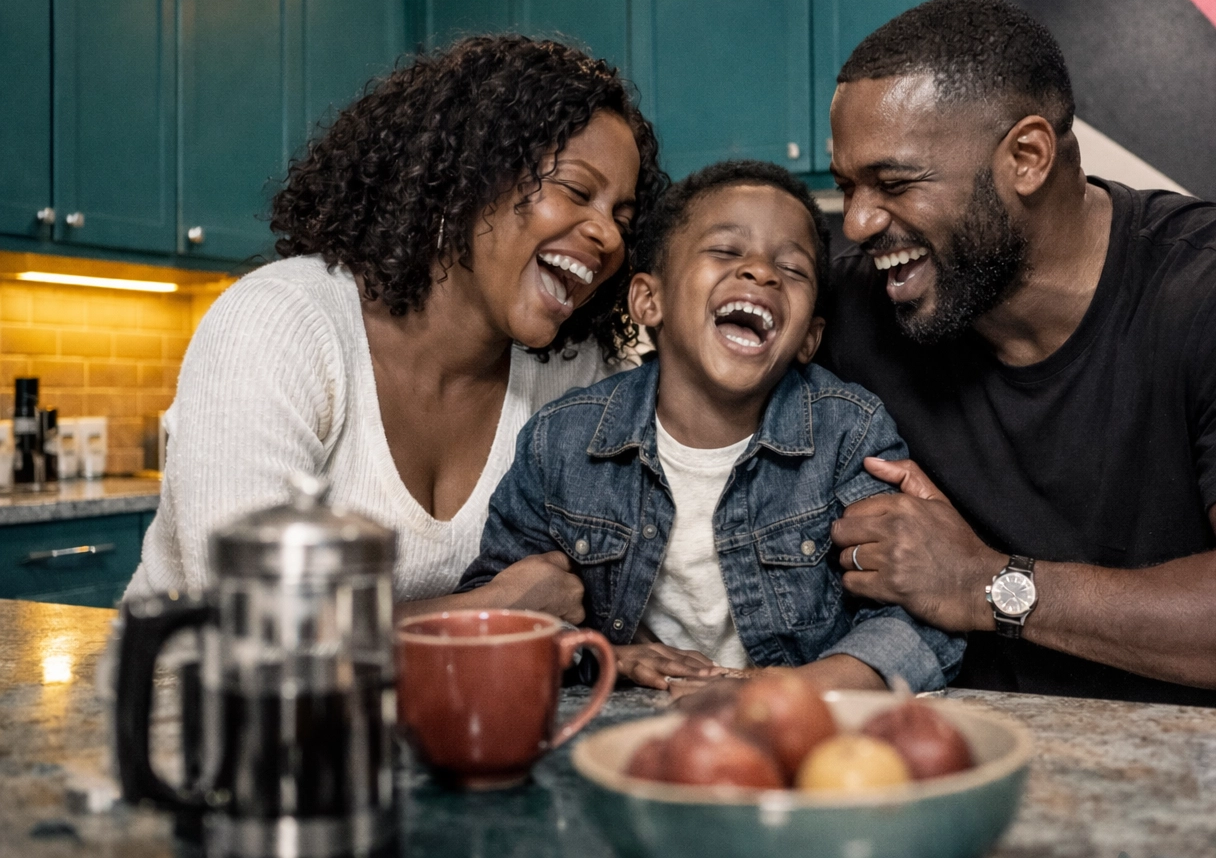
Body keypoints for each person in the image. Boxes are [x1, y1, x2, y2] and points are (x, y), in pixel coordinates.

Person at [817, 0, 1216, 857]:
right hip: (1006, 727)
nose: (857, 222)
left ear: (1027, 156)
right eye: (847, 186)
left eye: (894, 182)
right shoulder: (864, 301)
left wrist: (988, 584)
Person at [126, 35, 668, 623]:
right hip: (180, 681)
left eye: (622, 219)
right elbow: (251, 617)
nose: (608, 236)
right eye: (577, 191)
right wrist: (482, 615)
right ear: (466, 176)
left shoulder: (572, 371)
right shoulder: (280, 323)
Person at [458, 161, 964, 695]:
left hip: (803, 725)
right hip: (633, 729)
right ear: (648, 300)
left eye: (792, 269)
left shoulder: (849, 432)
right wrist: (607, 658)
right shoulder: (561, 440)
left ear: (809, 339)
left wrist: (786, 692)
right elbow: (502, 612)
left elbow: (919, 616)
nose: (762, 273)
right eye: (725, 251)